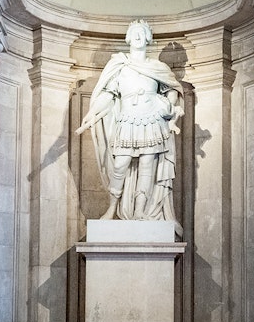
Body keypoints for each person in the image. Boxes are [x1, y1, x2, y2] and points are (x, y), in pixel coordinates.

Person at [75, 19, 184, 227]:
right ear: (128, 37)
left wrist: (168, 106)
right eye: (134, 32)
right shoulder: (120, 65)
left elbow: (172, 89)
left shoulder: (158, 67)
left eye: (142, 32)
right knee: (119, 165)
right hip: (127, 121)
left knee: (147, 166)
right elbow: (109, 94)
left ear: (148, 38)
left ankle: (141, 211)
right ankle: (112, 208)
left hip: (152, 121)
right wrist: (92, 112)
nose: (137, 35)